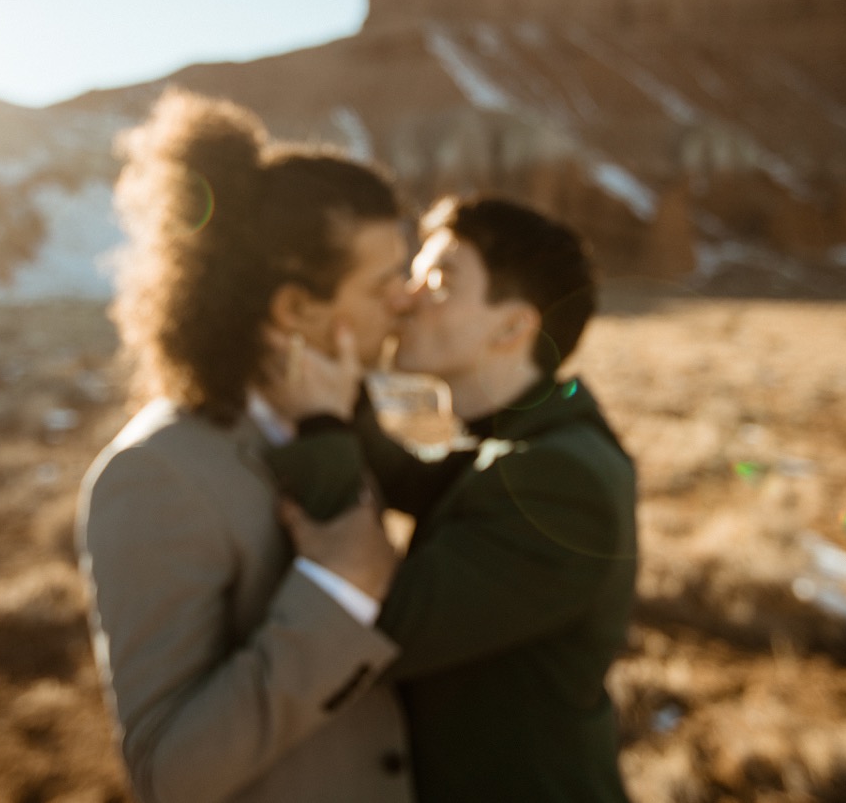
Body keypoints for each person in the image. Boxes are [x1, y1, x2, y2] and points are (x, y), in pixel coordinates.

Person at [76, 90, 417, 803]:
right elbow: (170, 770)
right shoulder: (156, 475)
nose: (407, 300)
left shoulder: (335, 419)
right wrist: (336, 589)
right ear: (295, 309)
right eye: (386, 282)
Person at [265, 196, 639, 803]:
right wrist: (343, 369)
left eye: (439, 281)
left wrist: (321, 427)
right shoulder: (529, 439)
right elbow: (414, 478)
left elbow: (376, 632)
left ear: (513, 327)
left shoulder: (557, 480)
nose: (405, 297)